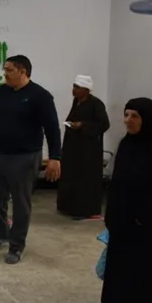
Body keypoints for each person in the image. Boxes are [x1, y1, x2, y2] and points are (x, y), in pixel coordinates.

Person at [0, 55, 62, 264]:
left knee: (21, 203)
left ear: (23, 71)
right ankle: (2, 233)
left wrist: (55, 157)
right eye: (5, 69)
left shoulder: (40, 96)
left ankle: (16, 245)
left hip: (25, 157)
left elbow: (52, 128)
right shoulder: (1, 92)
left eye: (9, 70)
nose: (5, 74)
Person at [101, 97, 152, 303]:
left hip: (148, 223)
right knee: (121, 265)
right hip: (122, 219)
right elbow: (117, 182)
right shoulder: (127, 144)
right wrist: (112, 213)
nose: (128, 120)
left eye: (134, 116)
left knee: (144, 268)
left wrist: (146, 215)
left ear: (148, 119)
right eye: (126, 115)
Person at [56, 75, 110, 221]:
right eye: (74, 86)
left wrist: (83, 126)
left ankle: (85, 210)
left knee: (85, 179)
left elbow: (104, 124)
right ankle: (69, 207)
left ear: (86, 90)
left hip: (88, 150)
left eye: (77, 87)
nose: (73, 90)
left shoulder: (96, 104)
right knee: (71, 176)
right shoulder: (77, 102)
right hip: (74, 147)